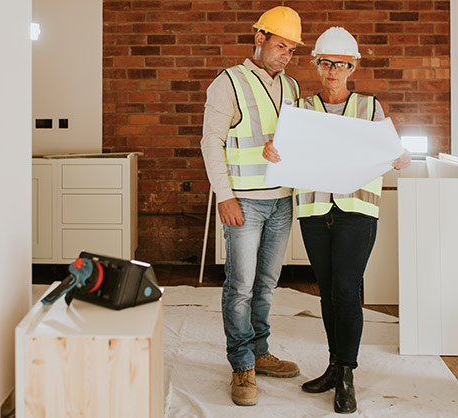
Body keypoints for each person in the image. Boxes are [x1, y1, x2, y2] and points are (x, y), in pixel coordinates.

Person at [262, 27, 411, 414]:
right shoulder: (301, 108)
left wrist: (401, 157)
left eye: (341, 64)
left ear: (352, 66)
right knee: (327, 291)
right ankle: (333, 366)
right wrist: (272, 151)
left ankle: (346, 375)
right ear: (317, 64)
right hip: (314, 212)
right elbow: (284, 149)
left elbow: (393, 152)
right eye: (326, 63)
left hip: (356, 213)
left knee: (346, 291)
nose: (333, 71)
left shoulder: (369, 107)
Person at [200, 6, 304, 407]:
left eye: (292, 50)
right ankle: (241, 364)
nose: (286, 56)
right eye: (281, 46)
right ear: (259, 39)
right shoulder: (229, 83)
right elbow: (212, 142)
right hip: (243, 201)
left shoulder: (292, 86)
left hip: (281, 201)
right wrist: (224, 195)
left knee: (265, 285)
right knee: (240, 287)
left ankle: (260, 353)